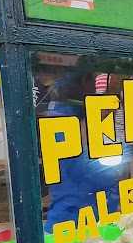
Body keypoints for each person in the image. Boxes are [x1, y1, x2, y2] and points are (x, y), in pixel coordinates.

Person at [41, 69, 127, 233]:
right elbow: (83, 164)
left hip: (91, 218)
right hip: (73, 223)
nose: (95, 89)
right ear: (83, 83)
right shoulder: (65, 119)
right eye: (93, 82)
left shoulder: (70, 114)